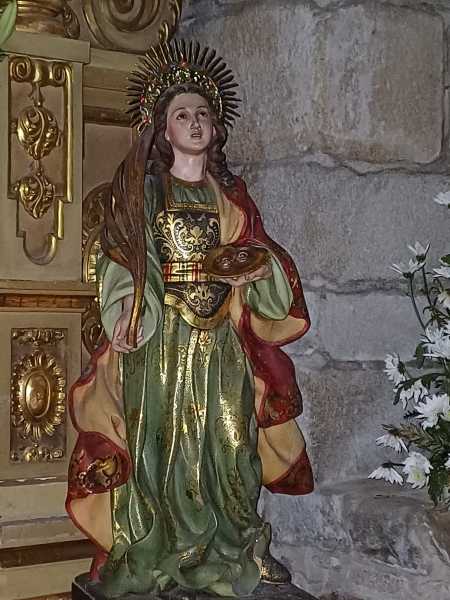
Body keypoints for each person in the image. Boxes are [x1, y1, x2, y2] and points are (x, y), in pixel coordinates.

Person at [67, 39, 313, 598]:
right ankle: (154, 547)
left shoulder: (230, 195)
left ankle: (236, 543)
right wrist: (126, 309)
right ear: (163, 128)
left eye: (203, 113)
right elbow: (125, 255)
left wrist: (256, 269)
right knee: (159, 446)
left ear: (216, 126)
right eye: (183, 114)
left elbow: (255, 248)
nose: (196, 122)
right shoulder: (146, 191)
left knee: (232, 442)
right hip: (162, 339)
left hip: (221, 338)